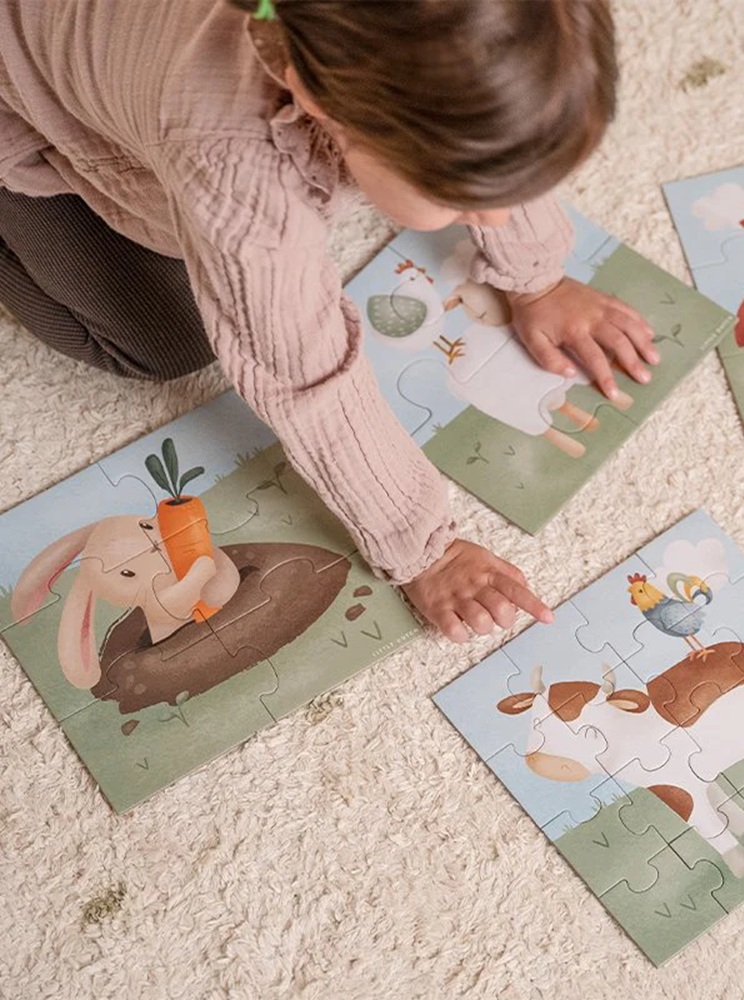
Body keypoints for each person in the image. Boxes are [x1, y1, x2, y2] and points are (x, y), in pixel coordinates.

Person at [0, 0, 659, 642]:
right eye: (462, 200)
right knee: (169, 339)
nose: (496, 218)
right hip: (24, 96)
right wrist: (425, 550)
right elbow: (303, 377)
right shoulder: (237, 173)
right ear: (318, 99)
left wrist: (537, 274)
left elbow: (501, 104)